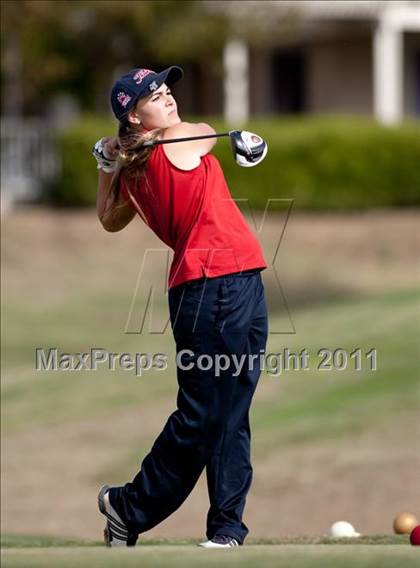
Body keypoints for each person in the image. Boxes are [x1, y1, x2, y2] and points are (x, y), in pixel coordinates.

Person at [93, 65, 269, 549]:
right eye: (154, 95)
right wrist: (122, 156)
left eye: (168, 90)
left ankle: (227, 528)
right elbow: (207, 131)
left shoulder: (138, 164)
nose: (168, 97)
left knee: (231, 410)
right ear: (133, 117)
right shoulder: (178, 143)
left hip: (240, 280)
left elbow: (108, 217)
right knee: (205, 414)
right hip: (211, 288)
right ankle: (127, 507)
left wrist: (108, 165)